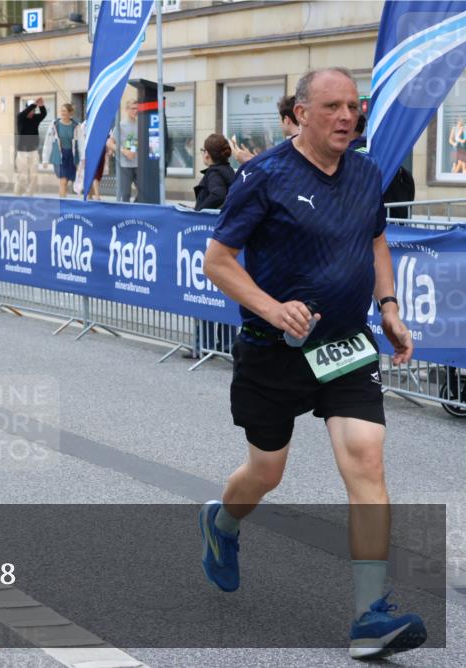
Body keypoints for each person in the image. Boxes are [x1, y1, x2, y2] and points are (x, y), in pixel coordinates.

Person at [200, 67, 426, 661]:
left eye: (354, 106)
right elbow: (218, 261)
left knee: (367, 461)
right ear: (301, 113)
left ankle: (369, 615)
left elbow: (375, 238)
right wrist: (275, 310)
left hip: (346, 346)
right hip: (274, 352)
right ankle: (222, 524)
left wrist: (390, 306)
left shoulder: (367, 171)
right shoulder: (264, 175)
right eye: (332, 106)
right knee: (265, 473)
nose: (347, 117)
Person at [233, 94, 300, 165]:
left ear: (286, 120)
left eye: (279, 118)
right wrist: (256, 160)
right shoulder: (301, 144)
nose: (279, 123)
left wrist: (251, 161)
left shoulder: (290, 148)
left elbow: (281, 172)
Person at [41, 102, 79, 198]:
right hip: (59, 155)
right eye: (62, 111)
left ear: (70, 113)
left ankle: (63, 201)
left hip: (72, 156)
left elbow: (81, 143)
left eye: (65, 111)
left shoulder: (76, 126)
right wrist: (45, 159)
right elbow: (48, 142)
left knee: (69, 181)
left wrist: (82, 158)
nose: (63, 113)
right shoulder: (54, 125)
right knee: (63, 180)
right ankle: (62, 204)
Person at [194, 134, 236, 211]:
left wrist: (199, 211)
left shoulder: (215, 173)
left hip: (208, 222)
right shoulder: (228, 169)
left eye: (203, 150)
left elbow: (218, 195)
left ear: (207, 154)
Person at [14, 97, 46, 196]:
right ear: (27, 108)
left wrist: (41, 106)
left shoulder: (35, 118)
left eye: (34, 110)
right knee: (22, 176)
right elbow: (24, 113)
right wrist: (34, 104)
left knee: (34, 176)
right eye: (31, 110)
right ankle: (17, 195)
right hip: (22, 152)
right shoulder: (20, 117)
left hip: (34, 151)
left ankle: (30, 195)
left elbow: (43, 114)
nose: (32, 112)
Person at [109, 98, 139, 202]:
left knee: (144, 191)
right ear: (127, 109)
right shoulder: (121, 125)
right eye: (133, 108)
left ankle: (135, 209)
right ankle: (126, 216)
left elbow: (137, 142)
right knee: (125, 194)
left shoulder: (140, 124)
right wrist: (124, 151)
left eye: (137, 109)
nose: (135, 111)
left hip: (139, 164)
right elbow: (110, 143)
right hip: (125, 165)